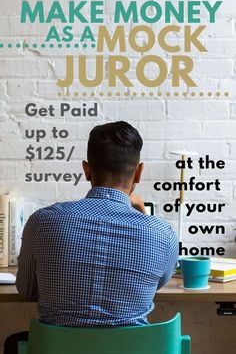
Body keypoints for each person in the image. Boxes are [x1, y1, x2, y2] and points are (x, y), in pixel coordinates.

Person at [4, 121, 178, 353]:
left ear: (86, 170)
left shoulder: (42, 222)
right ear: (138, 172)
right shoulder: (162, 234)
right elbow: (154, 285)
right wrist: (143, 215)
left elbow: (26, 290)